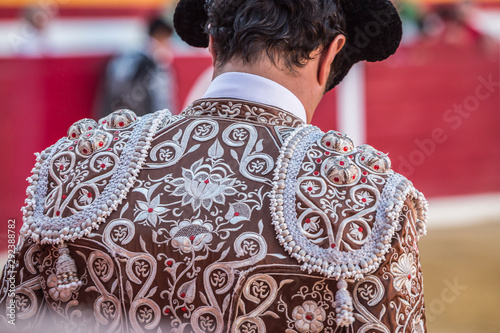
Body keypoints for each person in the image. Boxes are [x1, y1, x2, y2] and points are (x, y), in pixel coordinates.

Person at [0, 0, 429, 332]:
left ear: (213, 43)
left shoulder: (75, 163)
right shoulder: (371, 201)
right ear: (331, 54)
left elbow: (15, 318)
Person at [99, 17, 177, 118]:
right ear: (160, 35)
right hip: (140, 120)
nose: (167, 44)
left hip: (124, 118)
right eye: (166, 39)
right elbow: (160, 98)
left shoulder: (131, 54)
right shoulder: (145, 60)